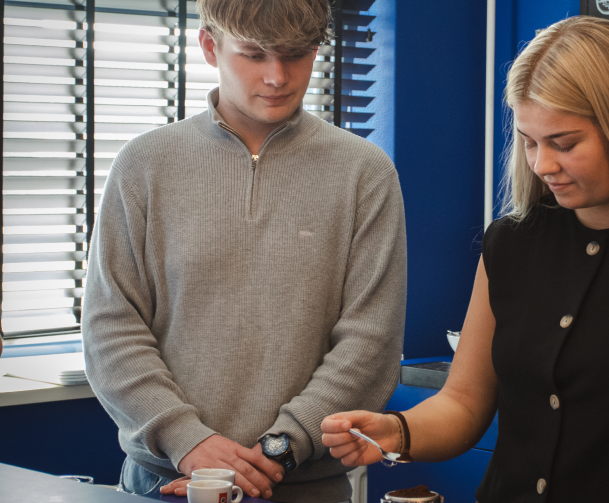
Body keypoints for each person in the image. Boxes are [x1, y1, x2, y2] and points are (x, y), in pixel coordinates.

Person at [321, 16, 609, 503]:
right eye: (530, 142)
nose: (542, 165)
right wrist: (396, 431)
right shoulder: (511, 243)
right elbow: (464, 401)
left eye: (565, 143)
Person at [82, 0, 406, 502]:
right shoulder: (144, 165)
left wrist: (276, 451)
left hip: (303, 487)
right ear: (210, 46)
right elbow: (110, 327)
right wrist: (190, 442)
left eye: (295, 54)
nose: (277, 76)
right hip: (164, 483)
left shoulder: (365, 173)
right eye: (254, 55)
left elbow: (371, 342)